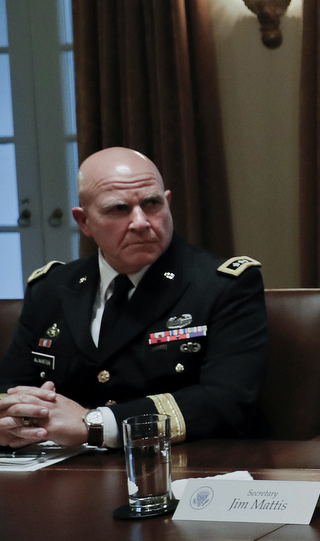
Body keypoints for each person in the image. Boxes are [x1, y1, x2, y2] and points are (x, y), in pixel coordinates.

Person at [0, 148, 267, 448]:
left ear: (168, 203)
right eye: (119, 209)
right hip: (61, 468)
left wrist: (94, 424)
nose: (140, 222)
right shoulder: (51, 288)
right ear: (84, 222)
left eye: (152, 204)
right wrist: (15, 420)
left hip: (181, 468)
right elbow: (10, 386)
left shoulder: (222, 285)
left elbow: (226, 401)